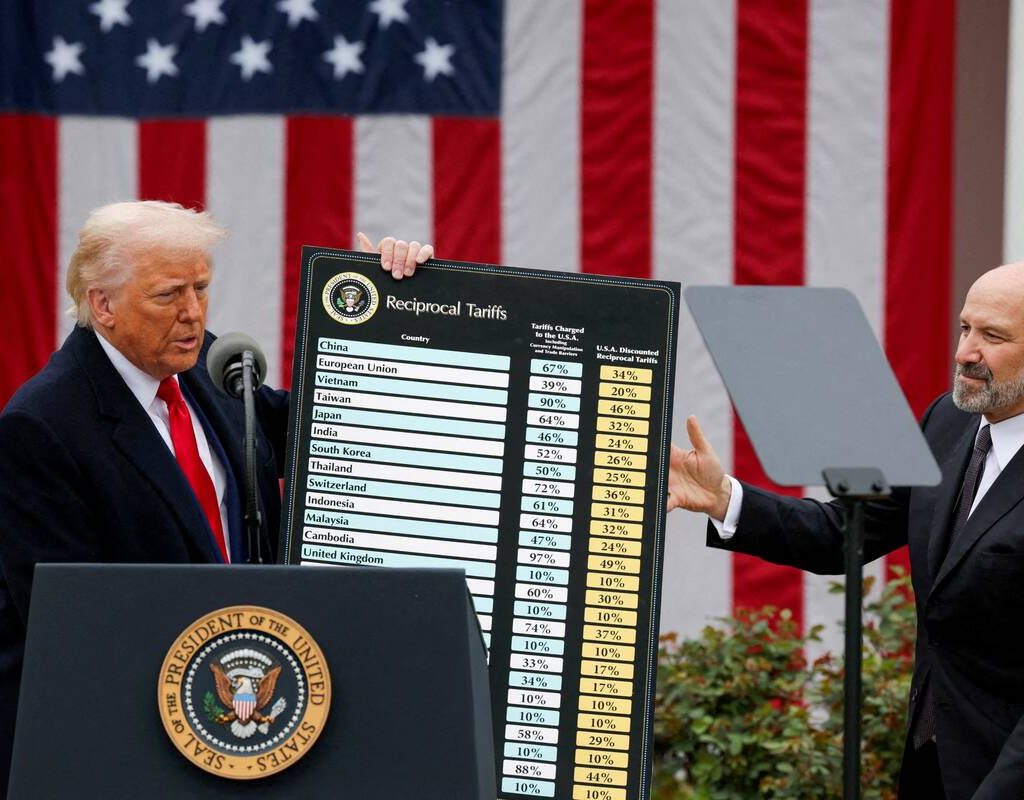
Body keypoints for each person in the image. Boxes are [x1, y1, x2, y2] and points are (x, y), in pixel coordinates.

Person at [0, 200, 432, 792]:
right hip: (125, 749)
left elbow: (329, 431)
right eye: (168, 295)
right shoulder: (41, 425)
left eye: (201, 288)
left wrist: (383, 310)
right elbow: (72, 624)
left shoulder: (211, 365)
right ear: (102, 305)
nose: (193, 314)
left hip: (244, 730)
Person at [667, 262, 1024, 799]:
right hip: (932, 760)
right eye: (964, 327)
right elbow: (845, 530)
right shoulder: (946, 422)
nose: (964, 353)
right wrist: (725, 498)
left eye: (991, 337)